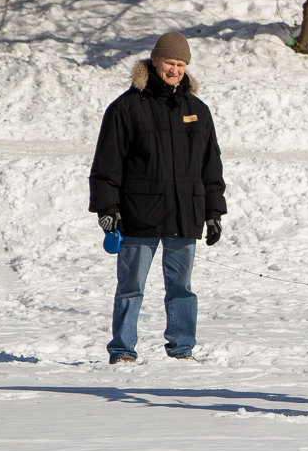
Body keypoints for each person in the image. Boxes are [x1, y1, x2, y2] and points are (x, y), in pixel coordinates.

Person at [88, 32, 226, 364]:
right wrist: (107, 207)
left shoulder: (198, 110)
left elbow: (211, 167)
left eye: (181, 64)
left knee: (182, 288)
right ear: (155, 61)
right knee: (130, 287)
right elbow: (107, 163)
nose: (175, 69)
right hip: (138, 215)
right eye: (169, 63)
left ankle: (182, 349)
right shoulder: (127, 107)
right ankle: (122, 349)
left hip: (184, 215)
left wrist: (213, 212)